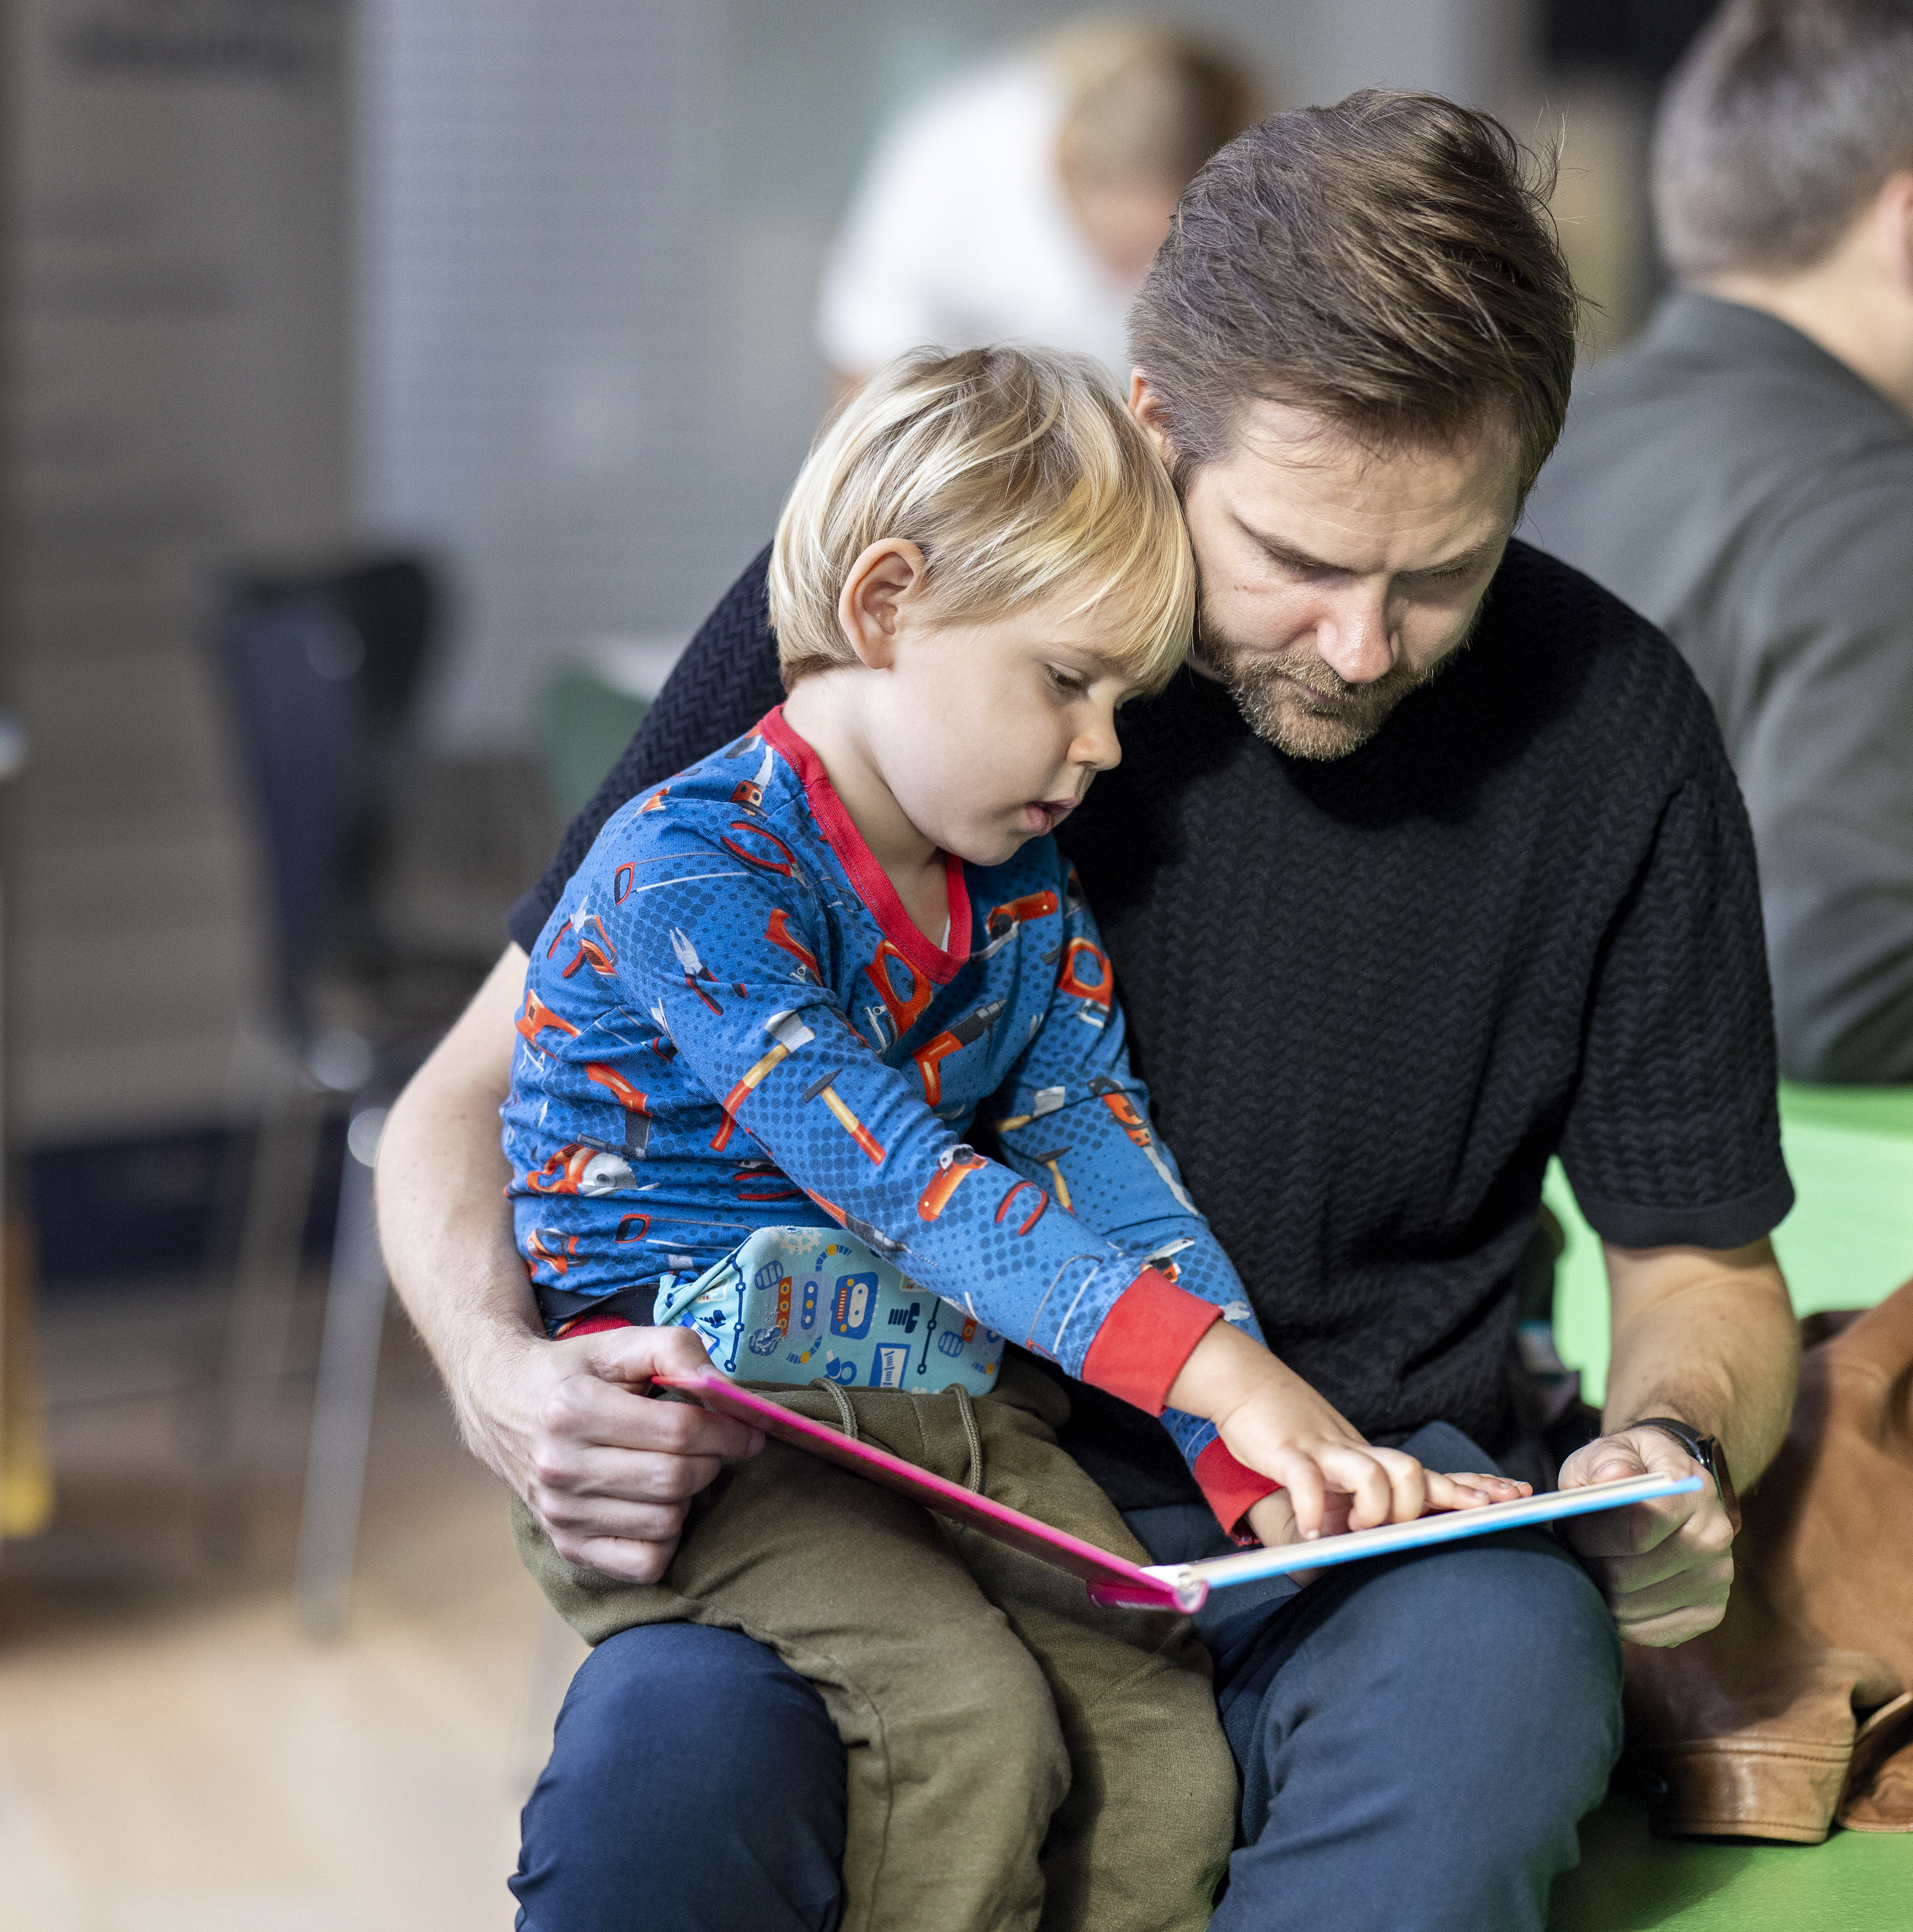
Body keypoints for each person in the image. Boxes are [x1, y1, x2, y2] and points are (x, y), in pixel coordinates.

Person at [381, 91, 1802, 1932]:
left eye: (1436, 573)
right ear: (1153, 428)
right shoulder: (892, 641)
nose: (1360, 646)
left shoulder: (1618, 732)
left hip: (1358, 1523)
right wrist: (507, 1387)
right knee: (667, 1765)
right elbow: (456, 1103)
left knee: (1499, 1689)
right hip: (869, 1478)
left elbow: (1700, 1266)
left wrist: (1666, 1451)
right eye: (1293, 560)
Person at [503, 343, 1512, 1932]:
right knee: (962, 1722)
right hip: (721, 1430)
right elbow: (893, 1175)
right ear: (888, 601)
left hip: (940, 1400)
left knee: (1158, 1746)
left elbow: (1113, 1172)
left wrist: (1252, 1458)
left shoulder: (1022, 901)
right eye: (1066, 680)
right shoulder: (691, 870)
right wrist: (1213, 1372)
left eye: (1123, 696)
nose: (1105, 746)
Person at [1522, 0, 1913, 1084]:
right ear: (1911, 228)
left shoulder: (1538, 444)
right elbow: (1855, 996)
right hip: (1794, 1235)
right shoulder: (1889, 512)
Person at [816, 19, 1253, 395]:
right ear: (1070, 166)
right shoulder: (949, 158)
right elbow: (861, 370)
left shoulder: (1247, 194)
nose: (1135, 278)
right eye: (1127, 251)